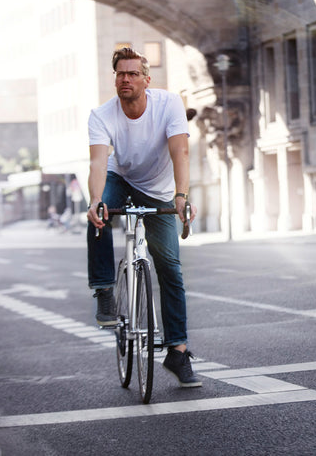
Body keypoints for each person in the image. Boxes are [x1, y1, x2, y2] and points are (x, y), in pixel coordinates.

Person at [86, 47, 201, 388]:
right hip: (119, 177)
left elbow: (180, 150)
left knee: (170, 269)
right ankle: (104, 289)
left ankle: (178, 352)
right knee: (98, 214)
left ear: (146, 80)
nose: (126, 79)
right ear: (115, 78)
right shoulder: (101, 115)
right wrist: (95, 200)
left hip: (160, 187)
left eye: (133, 74)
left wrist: (181, 195)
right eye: (121, 73)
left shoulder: (168, 104)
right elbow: (97, 162)